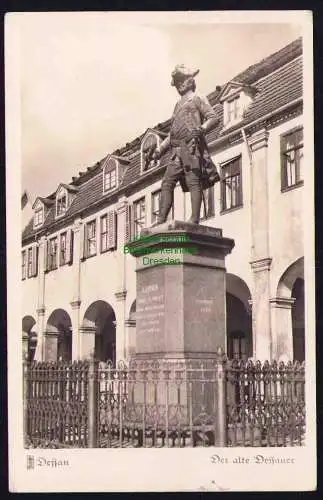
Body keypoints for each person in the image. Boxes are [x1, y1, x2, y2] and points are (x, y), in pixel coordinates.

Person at [153, 64, 219, 225]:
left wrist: (201, 129)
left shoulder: (198, 98)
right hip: (176, 150)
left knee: (193, 180)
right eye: (176, 82)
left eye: (181, 80)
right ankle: (161, 219)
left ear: (189, 80)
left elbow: (214, 118)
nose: (179, 84)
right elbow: (172, 133)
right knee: (167, 182)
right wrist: (160, 149)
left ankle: (194, 219)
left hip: (190, 147)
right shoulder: (177, 105)